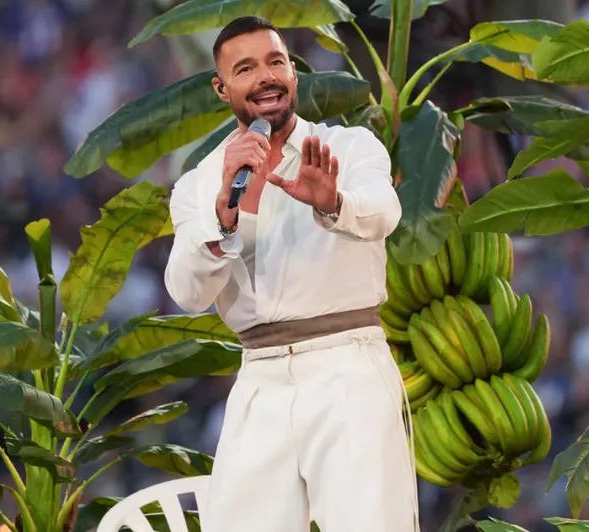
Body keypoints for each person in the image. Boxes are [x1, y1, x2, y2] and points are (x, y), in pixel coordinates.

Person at [163, 15, 418, 532]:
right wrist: (222, 215)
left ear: (293, 74)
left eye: (276, 62)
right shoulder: (200, 183)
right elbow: (186, 291)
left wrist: (333, 201)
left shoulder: (348, 148)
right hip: (258, 375)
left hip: (348, 364)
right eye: (245, 68)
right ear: (221, 88)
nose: (265, 77)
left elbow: (384, 213)